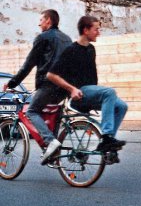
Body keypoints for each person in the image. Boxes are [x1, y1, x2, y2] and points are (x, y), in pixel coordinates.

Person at [47, 15, 127, 152]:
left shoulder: (91, 49)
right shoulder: (71, 50)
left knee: (121, 106)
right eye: (96, 29)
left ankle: (107, 144)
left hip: (90, 93)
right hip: (79, 95)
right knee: (110, 92)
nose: (99, 33)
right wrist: (71, 89)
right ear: (86, 30)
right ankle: (107, 136)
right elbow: (51, 75)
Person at [4, 9, 72, 165]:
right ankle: (53, 154)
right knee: (54, 114)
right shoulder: (67, 39)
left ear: (48, 20)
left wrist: (13, 82)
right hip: (66, 86)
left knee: (32, 111)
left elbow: (29, 64)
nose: (39, 23)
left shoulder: (43, 37)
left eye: (41, 19)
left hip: (49, 84)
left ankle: (51, 141)